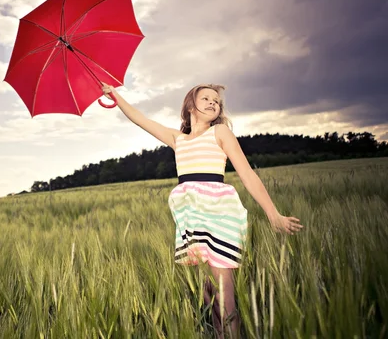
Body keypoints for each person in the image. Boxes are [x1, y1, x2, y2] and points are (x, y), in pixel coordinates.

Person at [101, 83, 303, 338]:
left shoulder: (219, 132)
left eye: (216, 101)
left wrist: (274, 214)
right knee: (209, 295)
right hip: (191, 220)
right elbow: (141, 120)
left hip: (219, 215)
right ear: (189, 106)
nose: (212, 103)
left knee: (223, 292)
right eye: (205, 98)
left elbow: (247, 174)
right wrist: (115, 96)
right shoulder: (178, 139)